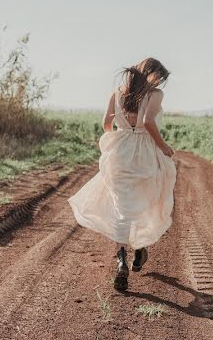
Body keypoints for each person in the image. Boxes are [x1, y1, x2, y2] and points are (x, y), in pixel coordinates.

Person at [68, 57, 177, 291]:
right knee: (147, 200)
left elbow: (106, 126)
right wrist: (164, 147)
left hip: (120, 152)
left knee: (122, 207)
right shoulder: (155, 94)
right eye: (160, 78)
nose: (160, 83)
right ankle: (139, 248)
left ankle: (121, 260)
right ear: (153, 74)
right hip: (145, 152)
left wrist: (119, 136)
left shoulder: (116, 94)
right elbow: (148, 121)